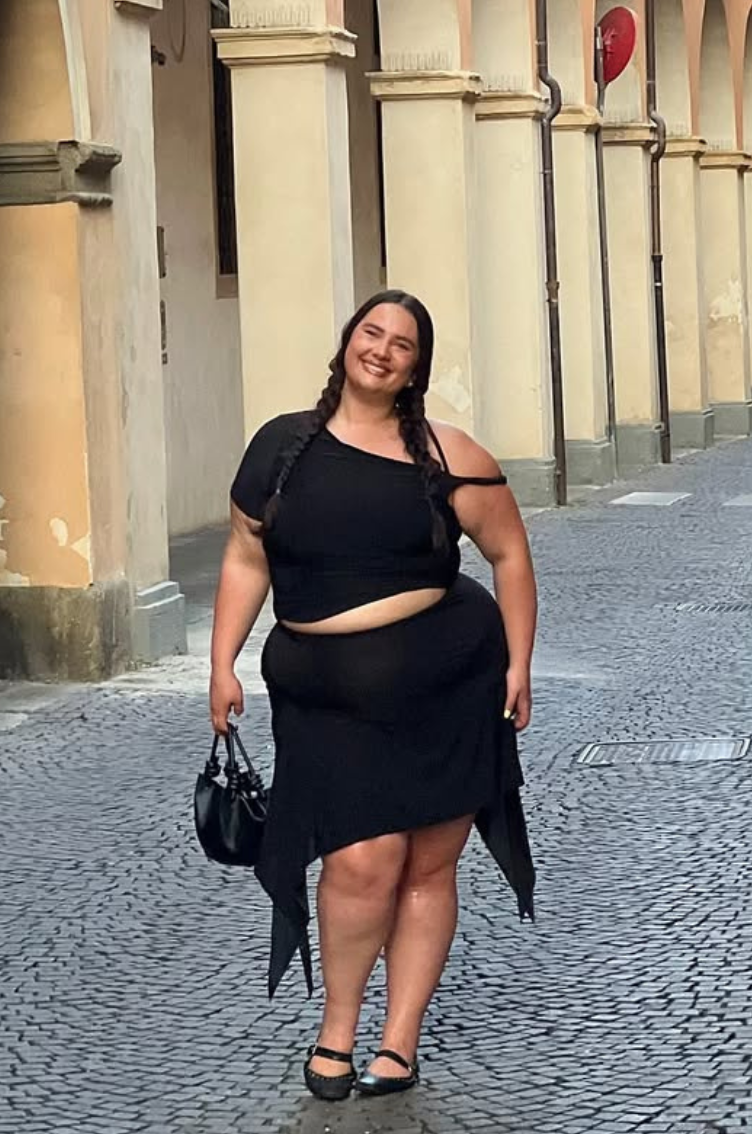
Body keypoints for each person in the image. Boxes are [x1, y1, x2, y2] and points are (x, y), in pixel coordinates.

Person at [209, 289, 537, 1101]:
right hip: (324, 702)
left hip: (448, 686)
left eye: (402, 343)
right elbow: (246, 560)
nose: (382, 350)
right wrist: (223, 662)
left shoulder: (446, 454)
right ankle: (338, 1030)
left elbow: (511, 556)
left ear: (415, 367)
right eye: (371, 332)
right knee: (360, 860)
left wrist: (520, 664)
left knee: (428, 864)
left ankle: (398, 1041)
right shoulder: (280, 448)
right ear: (347, 342)